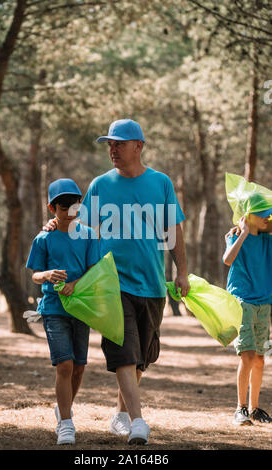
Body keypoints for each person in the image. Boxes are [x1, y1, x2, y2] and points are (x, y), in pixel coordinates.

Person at [44, 119, 190, 445]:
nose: (112, 150)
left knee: (141, 359)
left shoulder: (161, 183)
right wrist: (56, 225)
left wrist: (181, 271)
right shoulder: (100, 185)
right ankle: (139, 423)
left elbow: (174, 230)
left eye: (118, 144)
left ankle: (122, 414)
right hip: (112, 285)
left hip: (152, 284)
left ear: (138, 146)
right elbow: (78, 227)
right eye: (109, 144)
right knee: (124, 354)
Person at [26, 178, 100, 445]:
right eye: (63, 205)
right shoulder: (43, 238)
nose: (70, 210)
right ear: (51, 208)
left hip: (82, 309)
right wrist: (45, 275)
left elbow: (95, 271)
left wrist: (74, 285)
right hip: (53, 309)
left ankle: (64, 409)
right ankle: (66, 424)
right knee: (65, 364)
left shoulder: (89, 236)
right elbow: (35, 275)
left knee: (79, 368)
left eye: (74, 204)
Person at [223, 204, 272, 425]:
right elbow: (227, 259)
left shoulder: (267, 240)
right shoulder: (235, 237)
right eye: (262, 215)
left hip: (264, 303)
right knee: (248, 355)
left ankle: (254, 408)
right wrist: (242, 232)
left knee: (260, 359)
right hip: (242, 301)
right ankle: (240, 408)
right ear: (248, 216)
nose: (266, 219)